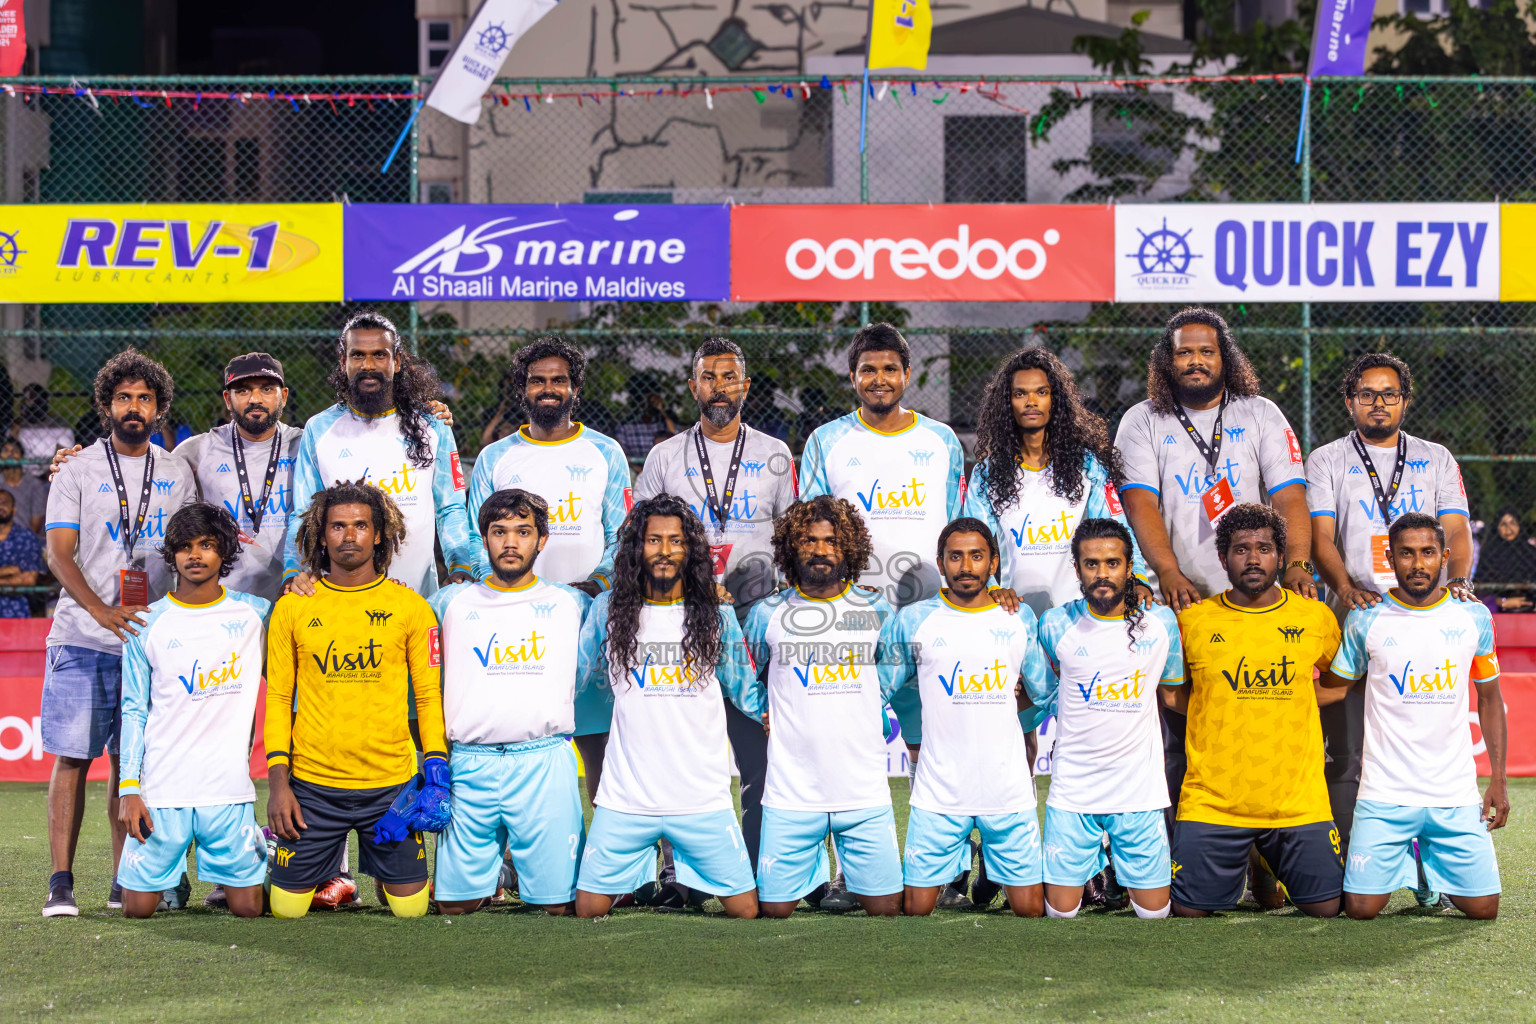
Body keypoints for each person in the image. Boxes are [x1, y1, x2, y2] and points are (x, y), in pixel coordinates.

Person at [1305, 352, 1475, 882]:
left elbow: (1457, 531)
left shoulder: (1437, 457)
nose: (1379, 403)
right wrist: (1344, 586)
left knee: (1427, 752)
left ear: (1405, 400)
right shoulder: (1327, 459)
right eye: (1367, 394)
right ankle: (1347, 863)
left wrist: (1460, 582)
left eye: (1389, 394)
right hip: (1358, 616)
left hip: (1422, 618)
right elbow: (1319, 535)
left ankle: (1434, 871)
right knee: (1348, 753)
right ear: (1349, 401)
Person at [635, 337, 798, 883]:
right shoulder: (664, 456)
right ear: (693, 387)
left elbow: (791, 539)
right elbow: (639, 537)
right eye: (709, 377)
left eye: (729, 377)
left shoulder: (776, 453)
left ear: (745, 386)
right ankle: (670, 868)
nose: (719, 387)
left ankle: (756, 865)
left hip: (754, 618)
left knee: (757, 752)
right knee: (673, 749)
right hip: (684, 617)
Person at [40, 350, 195, 917]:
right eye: (124, 397)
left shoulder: (177, 471)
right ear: (107, 404)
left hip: (148, 642)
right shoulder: (77, 469)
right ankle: (60, 882)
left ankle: (123, 877)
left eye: (145, 398)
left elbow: (186, 552)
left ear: (159, 408)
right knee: (73, 760)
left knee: (131, 764)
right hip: (82, 636)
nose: (135, 407)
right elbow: (57, 555)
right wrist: (101, 610)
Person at [572, 495, 759, 919]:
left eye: (676, 541)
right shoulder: (608, 610)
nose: (664, 550)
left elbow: (745, 691)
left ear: (690, 550)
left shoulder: (716, 615)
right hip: (626, 798)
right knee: (588, 909)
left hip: (700, 799)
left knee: (746, 911)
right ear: (636, 548)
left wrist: (779, 714)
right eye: (653, 539)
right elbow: (573, 679)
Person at [263, 482, 445, 919]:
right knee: (286, 910)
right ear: (321, 534)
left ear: (378, 534)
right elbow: (277, 696)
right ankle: (321, 867)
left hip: (390, 785)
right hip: (313, 787)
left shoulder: (412, 607)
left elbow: (427, 695)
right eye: (338, 526)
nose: (349, 535)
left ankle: (384, 871)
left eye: (360, 526)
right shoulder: (292, 607)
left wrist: (435, 766)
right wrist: (277, 784)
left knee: (412, 910)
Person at [466, 336, 630, 806]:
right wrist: (508, 590)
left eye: (559, 380)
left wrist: (593, 587)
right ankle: (518, 862)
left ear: (575, 387)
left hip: (590, 619)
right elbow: (479, 537)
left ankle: (607, 869)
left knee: (599, 748)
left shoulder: (606, 453)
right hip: (515, 625)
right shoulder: (497, 457)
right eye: (537, 381)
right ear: (522, 389)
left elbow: (622, 535)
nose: (548, 389)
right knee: (521, 748)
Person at [1161, 503, 1346, 918]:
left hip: (1297, 801)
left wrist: (1294, 697)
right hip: (1213, 802)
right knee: (1190, 912)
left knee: (1327, 909)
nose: (1253, 558)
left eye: (1264, 548)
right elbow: (1172, 695)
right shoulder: (1193, 621)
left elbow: (1338, 685)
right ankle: (1251, 858)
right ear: (1223, 557)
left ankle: (1263, 860)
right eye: (1241, 549)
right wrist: (1221, 703)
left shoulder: (1315, 617)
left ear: (1280, 556)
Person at [800, 323, 965, 781]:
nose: (880, 378)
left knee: (930, 740)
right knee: (848, 733)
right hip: (851, 609)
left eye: (890, 368)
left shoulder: (941, 440)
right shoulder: (826, 441)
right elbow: (811, 527)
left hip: (929, 610)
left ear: (907, 374)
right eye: (868, 369)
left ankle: (934, 839)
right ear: (852, 377)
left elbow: (957, 524)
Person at [1324, 512, 1507, 920]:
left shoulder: (1473, 616)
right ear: (1390, 558)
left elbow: (1491, 698)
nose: (1418, 563)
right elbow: (1334, 688)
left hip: (1454, 794)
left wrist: (1497, 779)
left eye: (1427, 553)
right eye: (1406, 554)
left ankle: (1425, 867)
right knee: (1360, 909)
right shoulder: (1366, 618)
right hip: (1384, 794)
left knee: (1484, 910)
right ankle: (1412, 855)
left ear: (1444, 557)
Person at [879, 517, 1054, 918]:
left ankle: (988, 870)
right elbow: (880, 688)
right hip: (939, 791)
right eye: (955, 557)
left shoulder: (1019, 617)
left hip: (1007, 790)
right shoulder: (912, 619)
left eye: (977, 556)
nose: (966, 566)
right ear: (941, 564)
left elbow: (1045, 693)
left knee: (1031, 911)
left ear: (993, 563)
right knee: (916, 909)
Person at [428, 488, 591, 916]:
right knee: (453, 907)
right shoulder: (447, 602)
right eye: (499, 532)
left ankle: (522, 867)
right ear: (484, 539)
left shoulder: (573, 603)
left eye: (523, 531)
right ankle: (500, 872)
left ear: (542, 540)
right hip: (468, 765)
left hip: (543, 762)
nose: (510, 542)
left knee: (558, 907)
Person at [744, 496, 901, 917]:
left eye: (831, 541)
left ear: (847, 547)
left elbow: (892, 666)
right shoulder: (767, 612)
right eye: (809, 541)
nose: (820, 550)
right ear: (792, 548)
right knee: (774, 910)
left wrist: (873, 701)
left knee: (886, 909)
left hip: (862, 790)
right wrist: (764, 708)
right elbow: (747, 673)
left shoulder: (875, 608)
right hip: (791, 793)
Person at [116, 503, 270, 918]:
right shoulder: (145, 623)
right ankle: (173, 872)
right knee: (137, 910)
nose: (195, 555)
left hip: (228, 790)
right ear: (172, 555)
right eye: (184, 546)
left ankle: (264, 848)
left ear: (224, 552)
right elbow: (133, 711)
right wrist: (129, 788)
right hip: (163, 789)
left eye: (206, 545)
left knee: (248, 910)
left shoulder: (257, 614)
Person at [1032, 518, 1182, 920]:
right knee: (1059, 914)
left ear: (1129, 566)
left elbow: (1172, 695)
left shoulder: (1162, 624)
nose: (1102, 574)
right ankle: (1099, 868)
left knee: (1155, 915)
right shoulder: (1054, 624)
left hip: (1139, 794)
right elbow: (1044, 692)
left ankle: (1114, 872)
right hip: (1072, 793)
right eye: (1091, 564)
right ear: (1077, 568)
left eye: (1112, 563)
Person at [1116, 307, 1314, 609]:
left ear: (1226, 358)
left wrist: (1298, 563)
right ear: (1168, 362)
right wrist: (1168, 571)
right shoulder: (1142, 419)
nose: (1196, 361)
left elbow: (1290, 498)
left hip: (1254, 592)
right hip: (1174, 594)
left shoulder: (1261, 412)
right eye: (1184, 353)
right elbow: (1138, 504)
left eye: (1207, 351)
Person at [282, 310, 477, 598]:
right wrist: (292, 569)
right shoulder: (319, 429)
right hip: (341, 596)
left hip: (418, 594)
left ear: (396, 361)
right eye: (358, 355)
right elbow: (303, 513)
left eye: (379, 355)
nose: (368, 365)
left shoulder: (433, 424)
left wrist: (460, 563)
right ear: (343, 362)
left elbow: (450, 508)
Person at [964, 346, 1148, 617]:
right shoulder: (988, 473)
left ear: (1056, 400)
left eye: (1041, 392)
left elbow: (1117, 528)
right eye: (1019, 393)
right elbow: (972, 541)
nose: (1031, 401)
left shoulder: (1087, 465)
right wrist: (990, 588)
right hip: (1015, 616)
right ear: (1007, 404)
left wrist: (1138, 578)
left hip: (1080, 615)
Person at [1475, 509, 1536, 612]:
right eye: (1503, 524)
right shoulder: (1489, 554)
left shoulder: (1531, 553)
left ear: (1519, 526)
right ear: (1497, 528)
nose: (1508, 528)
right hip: (1498, 609)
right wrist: (1502, 601)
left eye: (1513, 523)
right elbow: (1479, 589)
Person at [13, 383, 74, 480]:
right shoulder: (19, 425)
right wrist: (20, 419)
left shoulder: (58, 425)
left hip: (48, 476)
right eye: (28, 402)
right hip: (22, 474)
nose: (32, 406)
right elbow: (9, 446)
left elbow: (63, 457)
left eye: (37, 402)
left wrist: (46, 476)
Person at [0, 488, 43, 617]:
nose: (0, 506)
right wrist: (7, 571)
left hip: (15, 612)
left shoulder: (26, 536)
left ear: (14, 510)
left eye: (5, 503)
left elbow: (28, 579)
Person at [1, 438, 49, 534]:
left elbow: (35, 526)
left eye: (15, 451)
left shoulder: (34, 484)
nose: (10, 454)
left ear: (21, 456)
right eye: (5, 450)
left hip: (25, 537)